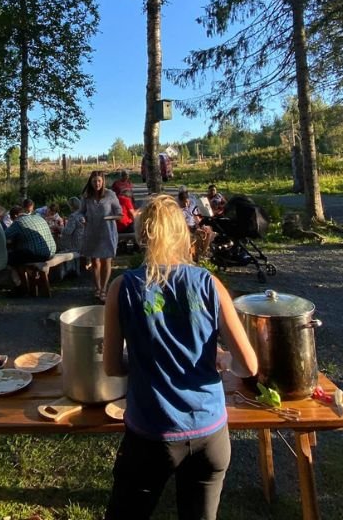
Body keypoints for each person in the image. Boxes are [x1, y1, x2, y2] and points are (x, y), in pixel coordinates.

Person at [101, 194, 258, 520]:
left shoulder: (122, 287)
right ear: (181, 234)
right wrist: (224, 361)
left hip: (150, 435)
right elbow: (249, 365)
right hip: (210, 433)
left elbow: (112, 366)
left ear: (144, 236)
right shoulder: (210, 284)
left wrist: (148, 363)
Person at [81, 170, 122, 302]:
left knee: (106, 261)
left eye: (99, 181)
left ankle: (104, 289)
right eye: (94, 181)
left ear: (103, 181)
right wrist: (82, 218)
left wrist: (109, 217)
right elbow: (81, 212)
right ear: (90, 182)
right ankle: (97, 288)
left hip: (107, 232)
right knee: (95, 261)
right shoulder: (87, 196)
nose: (97, 183)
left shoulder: (110, 195)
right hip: (92, 232)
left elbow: (119, 213)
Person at [5, 200, 57, 265]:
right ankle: (29, 272)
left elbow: (4, 236)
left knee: (9, 257)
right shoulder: (38, 217)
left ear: (15, 216)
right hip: (52, 251)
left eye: (12, 220)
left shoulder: (18, 222)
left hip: (39, 254)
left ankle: (21, 274)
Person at [179, 186, 213, 260]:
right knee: (198, 236)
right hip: (187, 228)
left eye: (187, 202)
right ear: (180, 201)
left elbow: (195, 216)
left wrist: (201, 225)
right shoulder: (179, 210)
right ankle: (198, 255)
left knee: (209, 232)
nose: (186, 204)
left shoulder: (191, 204)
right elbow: (182, 224)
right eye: (184, 202)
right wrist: (195, 229)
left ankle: (203, 252)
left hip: (194, 225)